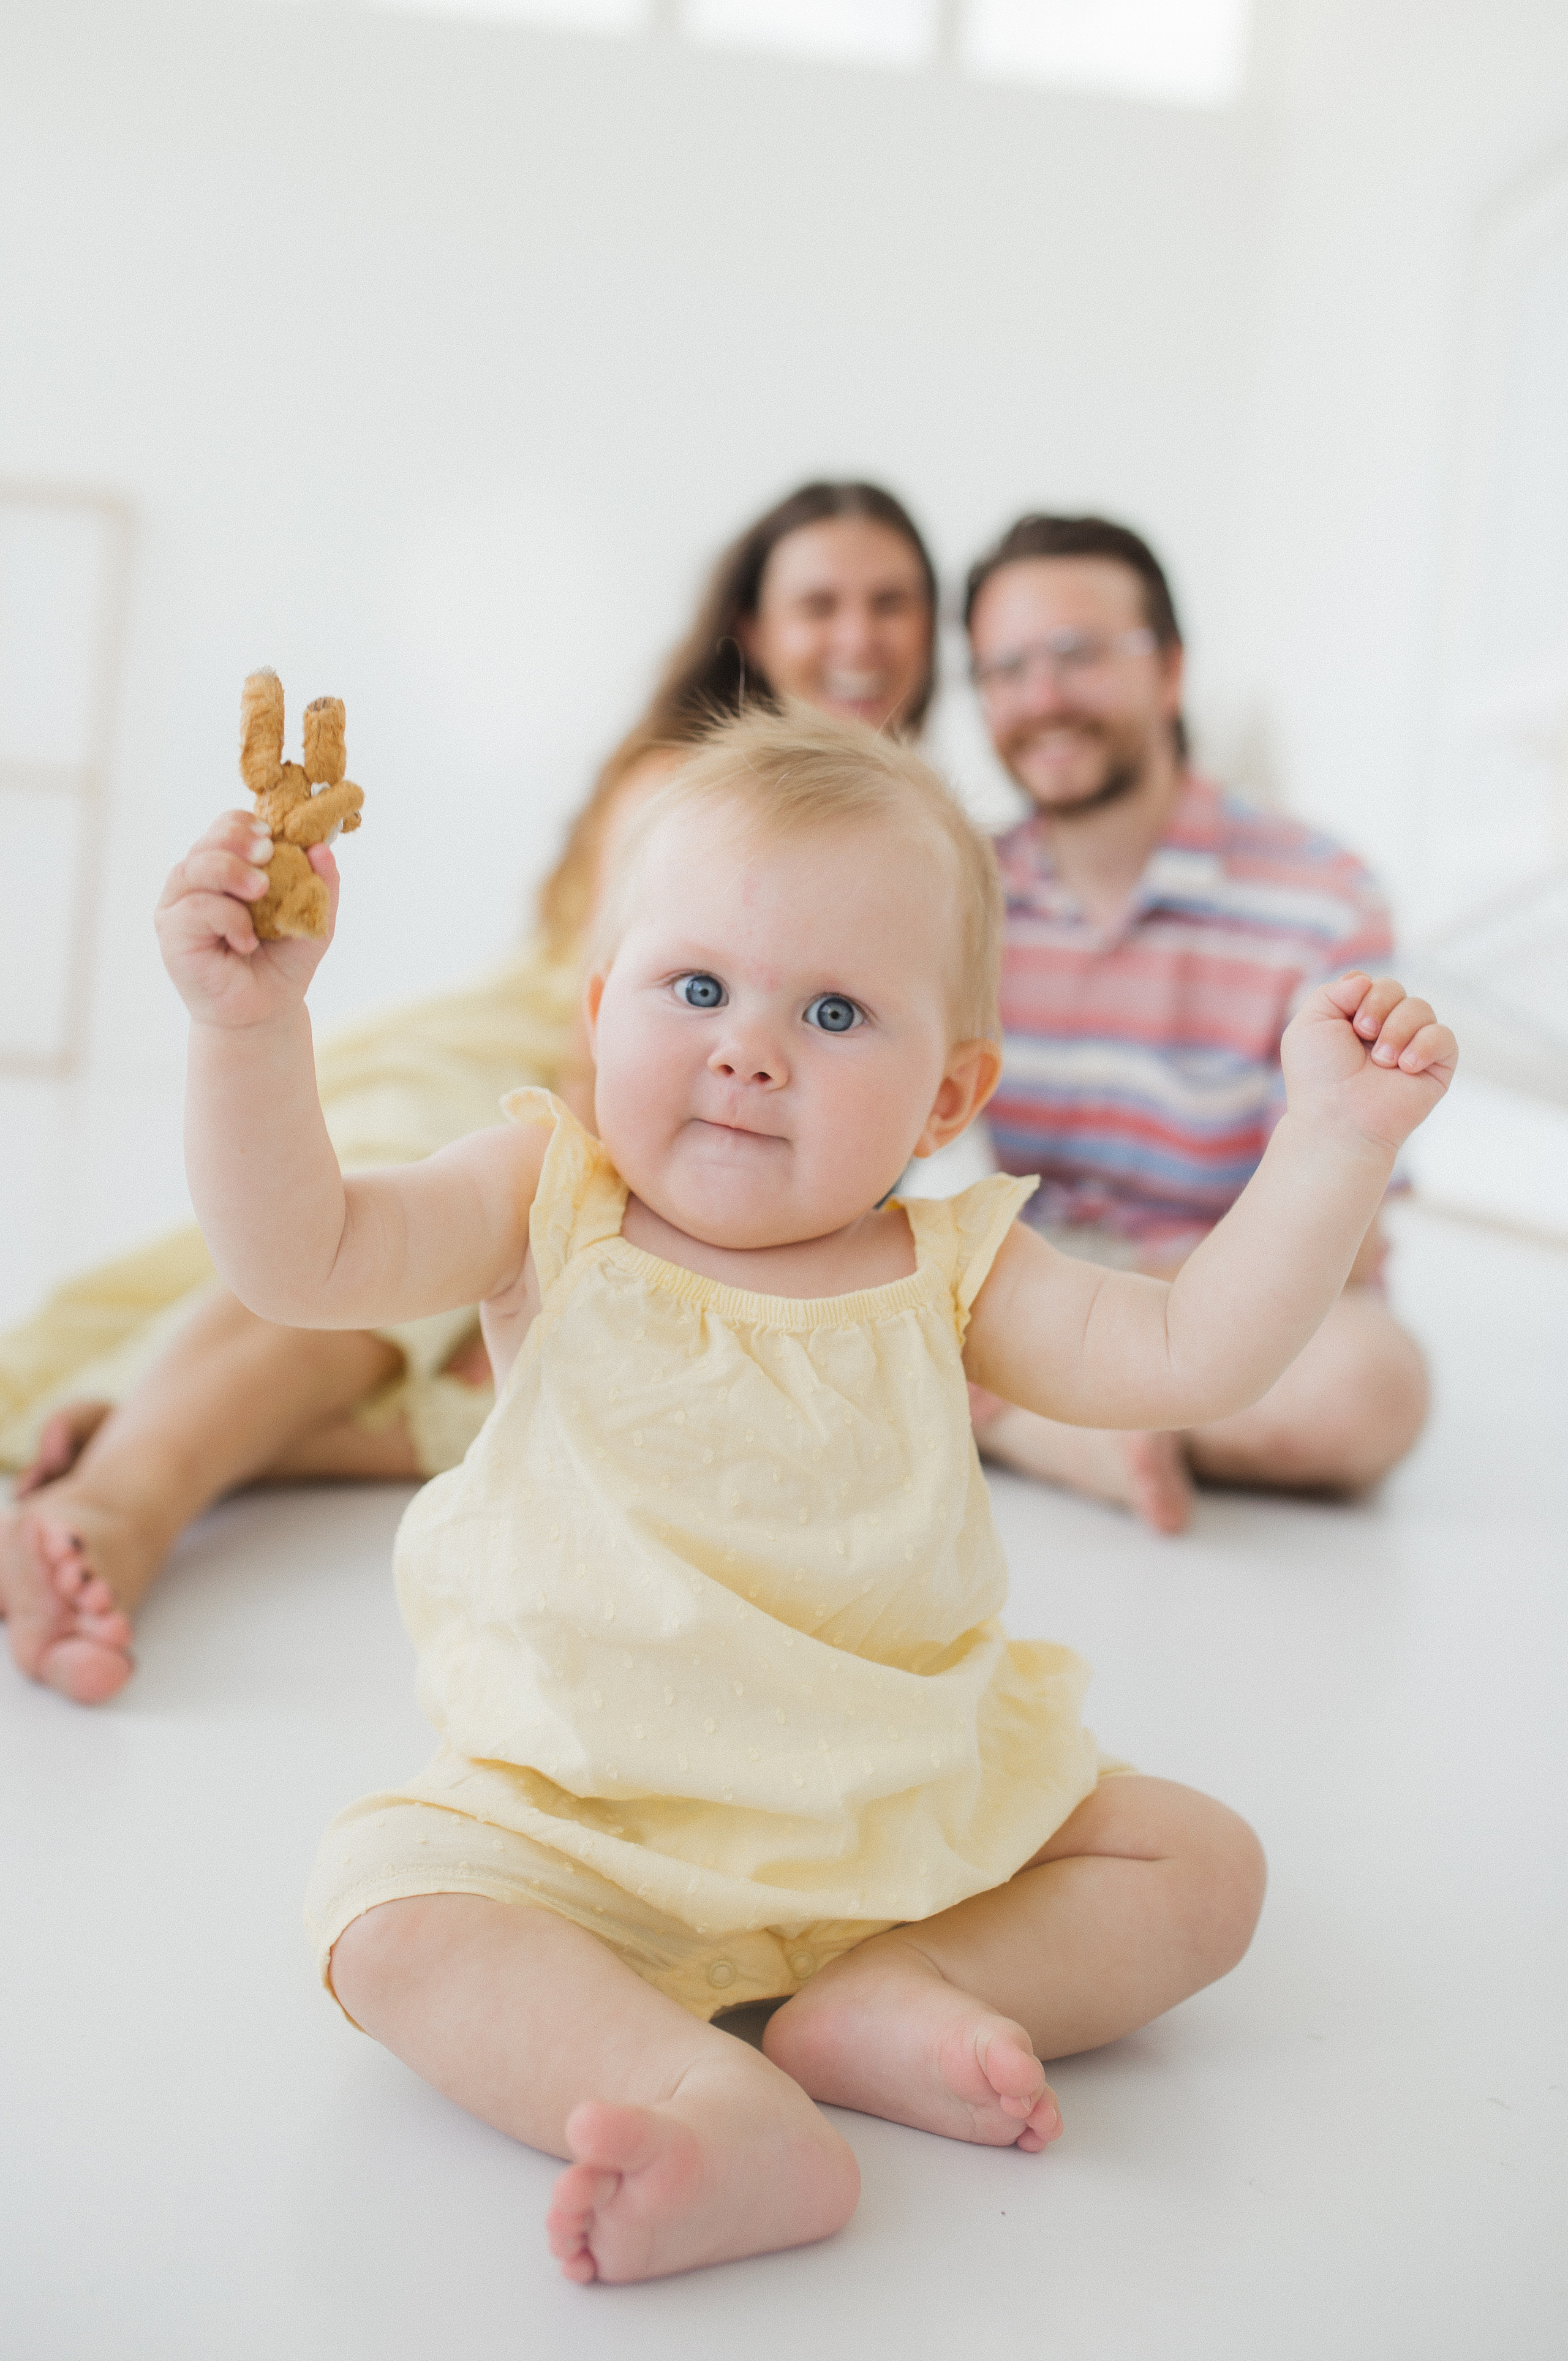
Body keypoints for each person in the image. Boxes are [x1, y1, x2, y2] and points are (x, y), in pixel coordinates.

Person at [157, 701, 1451, 2283]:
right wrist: (248, 1033)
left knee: (1204, 1865)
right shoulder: (544, 1200)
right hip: (584, 1819)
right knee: (383, 1910)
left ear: (946, 1100)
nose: (748, 1048)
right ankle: (702, 2103)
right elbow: (305, 1256)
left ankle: (902, 1992)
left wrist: (1331, 1145)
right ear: (600, 1008)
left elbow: (1189, 1350)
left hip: (900, 1815)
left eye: (834, 1012)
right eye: (696, 988)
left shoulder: (955, 1267)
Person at [0, 480, 937, 1705]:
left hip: (670, 1101)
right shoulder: (687, 783)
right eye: (821, 604)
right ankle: (114, 1506)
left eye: (890, 602)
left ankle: (144, 1419)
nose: (858, 635)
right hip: (536, 1064)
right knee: (394, 1267)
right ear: (756, 630)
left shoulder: (914, 841)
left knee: (513, 1387)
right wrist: (599, 1232)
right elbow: (626, 1036)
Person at [963, 514, 1432, 1533]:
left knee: (1370, 1387)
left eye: (1078, 655)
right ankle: (1052, 1422)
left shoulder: (1323, 895)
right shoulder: (962, 889)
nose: (1041, 698)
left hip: (1233, 1297)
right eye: (1004, 670)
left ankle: (1006, 1416)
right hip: (1034, 1294)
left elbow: (1349, 1236)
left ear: (1170, 671)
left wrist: (1134, 1325)